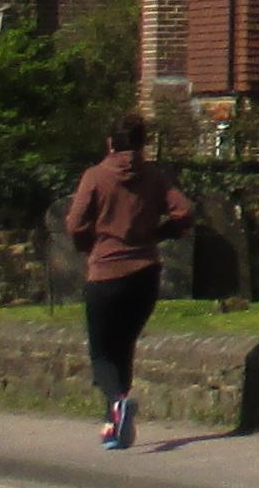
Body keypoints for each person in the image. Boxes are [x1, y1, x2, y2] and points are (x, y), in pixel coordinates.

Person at [62, 113, 193, 451]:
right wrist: (159, 233)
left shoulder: (95, 176)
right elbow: (185, 212)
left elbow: (75, 224)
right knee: (124, 346)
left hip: (105, 274)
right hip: (145, 275)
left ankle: (117, 404)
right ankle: (114, 426)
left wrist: (89, 244)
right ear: (142, 144)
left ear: (110, 143)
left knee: (102, 354)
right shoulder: (155, 178)